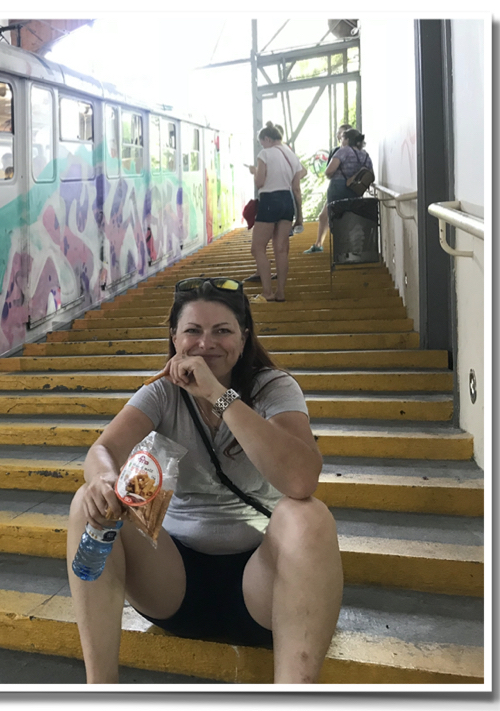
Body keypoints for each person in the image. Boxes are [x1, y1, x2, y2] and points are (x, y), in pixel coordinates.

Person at [66, 277, 343, 684]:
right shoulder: (161, 392)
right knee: (85, 506)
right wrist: (104, 480)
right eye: (193, 331)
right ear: (174, 338)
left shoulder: (273, 388)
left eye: (222, 331)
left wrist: (219, 395)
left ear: (244, 338)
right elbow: (102, 450)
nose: (206, 343)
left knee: (309, 517)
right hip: (173, 583)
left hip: (263, 587)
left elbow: (301, 479)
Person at [249, 125, 305, 302]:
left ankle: (267, 292)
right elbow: (296, 188)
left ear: (267, 139)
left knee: (258, 248)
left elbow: (260, 182)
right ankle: (280, 292)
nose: (262, 146)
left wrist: (254, 172)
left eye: (262, 143)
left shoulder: (265, 154)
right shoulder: (291, 155)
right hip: (287, 202)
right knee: (281, 250)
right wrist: (300, 216)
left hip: (269, 200)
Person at [304, 123, 352, 253]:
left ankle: (342, 249)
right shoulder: (336, 151)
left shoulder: (354, 152)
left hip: (345, 191)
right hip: (335, 190)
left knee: (340, 219)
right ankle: (319, 244)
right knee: (323, 216)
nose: (339, 136)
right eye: (339, 133)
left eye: (342, 133)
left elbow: (330, 171)